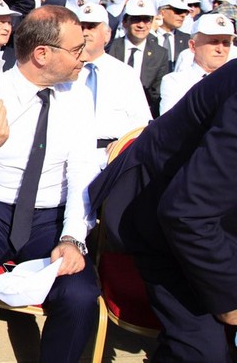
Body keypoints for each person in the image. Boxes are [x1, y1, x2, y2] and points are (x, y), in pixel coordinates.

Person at [0, 5, 100, 362]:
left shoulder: (79, 97)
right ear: (42, 54)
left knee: (80, 296)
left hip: (51, 216)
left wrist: (73, 237)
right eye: (76, 50)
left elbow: (82, 175)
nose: (84, 57)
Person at [88, 59, 237, 362]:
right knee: (204, 354)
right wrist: (229, 299)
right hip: (160, 217)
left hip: (211, 216)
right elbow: (186, 213)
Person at [74, 3, 151, 167]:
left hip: (112, 155)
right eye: (82, 27)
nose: (86, 32)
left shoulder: (124, 73)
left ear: (107, 34)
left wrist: (124, 142)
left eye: (92, 27)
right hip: (71, 153)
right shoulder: (64, 71)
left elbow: (142, 120)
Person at [159, 13, 234, 114]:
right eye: (214, 42)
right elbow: (168, 125)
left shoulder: (232, 81)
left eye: (226, 43)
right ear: (193, 46)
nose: (220, 49)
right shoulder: (175, 82)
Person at [108, 0, 169, 117]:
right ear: (125, 22)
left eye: (146, 20)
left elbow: (157, 93)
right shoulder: (110, 48)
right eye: (136, 19)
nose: (141, 25)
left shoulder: (160, 53)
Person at [153, 0, 191, 71]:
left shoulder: (187, 40)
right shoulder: (148, 36)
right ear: (162, 12)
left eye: (185, 12)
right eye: (178, 11)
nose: (183, 15)